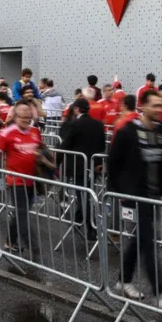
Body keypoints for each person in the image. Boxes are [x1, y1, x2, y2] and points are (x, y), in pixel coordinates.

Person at [106, 88, 162, 311]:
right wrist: (118, 191)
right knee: (148, 241)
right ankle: (160, 292)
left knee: (139, 239)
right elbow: (114, 163)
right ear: (143, 106)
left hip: (152, 196)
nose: (160, 109)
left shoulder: (161, 130)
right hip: (132, 196)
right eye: (155, 105)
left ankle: (123, 280)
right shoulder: (128, 131)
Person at [0, 100, 54, 258]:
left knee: (20, 213)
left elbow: (41, 151)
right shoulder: (6, 133)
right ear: (15, 116)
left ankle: (10, 241)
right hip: (15, 181)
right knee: (22, 213)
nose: (26, 119)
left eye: (28, 116)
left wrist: (43, 160)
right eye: (23, 116)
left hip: (33, 180)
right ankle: (33, 245)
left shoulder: (35, 132)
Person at [59, 97, 105, 240]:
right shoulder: (98, 124)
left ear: (77, 109)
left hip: (78, 165)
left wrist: (56, 162)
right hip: (94, 164)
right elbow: (102, 145)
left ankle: (90, 226)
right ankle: (79, 219)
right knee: (87, 193)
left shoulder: (75, 124)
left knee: (83, 195)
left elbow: (66, 144)